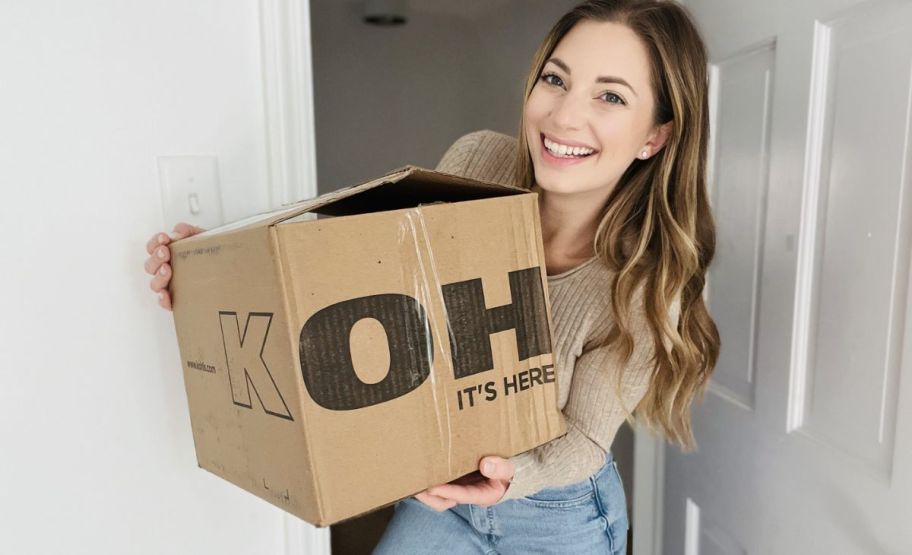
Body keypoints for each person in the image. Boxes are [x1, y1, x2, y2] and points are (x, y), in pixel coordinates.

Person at [143, 1, 720, 552]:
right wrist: (222, 275)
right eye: (556, 79)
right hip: (441, 491)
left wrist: (509, 474)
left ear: (655, 136)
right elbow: (364, 267)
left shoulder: (644, 285)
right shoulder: (478, 163)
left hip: (555, 515)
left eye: (611, 96)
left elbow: (585, 438)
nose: (565, 115)